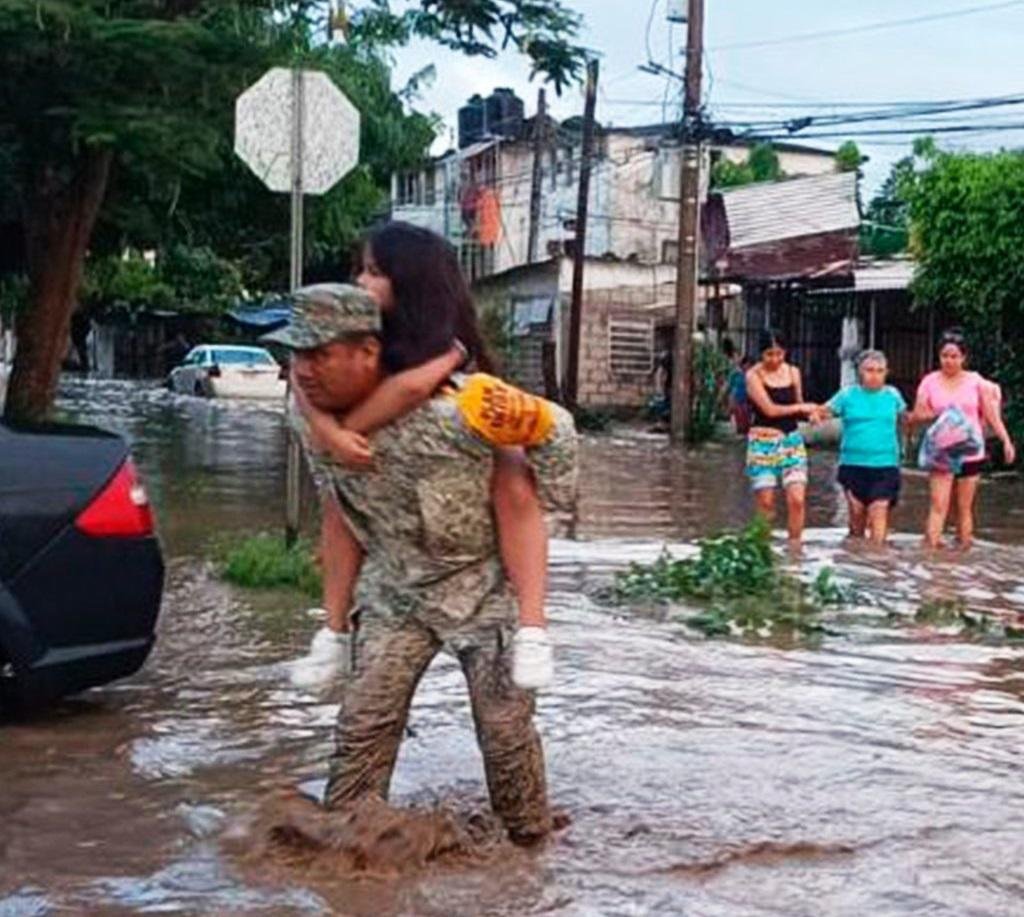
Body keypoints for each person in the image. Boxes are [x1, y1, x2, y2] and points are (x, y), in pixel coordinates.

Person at [265, 284, 578, 845]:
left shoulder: (456, 412)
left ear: (367, 351)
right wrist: (332, 629)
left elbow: (558, 437)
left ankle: (529, 854)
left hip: (484, 585)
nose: (302, 370)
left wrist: (547, 504)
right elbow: (339, 515)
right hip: (396, 588)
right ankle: (348, 853)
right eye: (296, 354)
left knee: (505, 730)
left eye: (318, 354)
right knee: (363, 722)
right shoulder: (309, 424)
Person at [289, 222, 554, 691]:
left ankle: (533, 629)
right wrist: (328, 432)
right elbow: (299, 373)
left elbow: (410, 389)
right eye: (360, 270)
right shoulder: (354, 335)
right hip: (395, 543)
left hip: (470, 536)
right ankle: (333, 631)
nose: (361, 282)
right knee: (338, 495)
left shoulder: (450, 351)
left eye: (374, 272)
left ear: (412, 281)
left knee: (512, 475)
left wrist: (341, 433)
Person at [911, 328, 1015, 549]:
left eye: (954, 356)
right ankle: (930, 553)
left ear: (963, 358)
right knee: (938, 505)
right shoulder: (929, 382)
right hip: (941, 452)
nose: (949, 361)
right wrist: (944, 413)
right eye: (945, 356)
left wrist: (1006, 440)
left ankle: (964, 551)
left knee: (964, 508)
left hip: (970, 451)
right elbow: (919, 413)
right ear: (939, 357)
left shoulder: (976, 382)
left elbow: (991, 414)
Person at [811, 349, 906, 545]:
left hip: (885, 465)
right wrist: (816, 415)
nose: (874, 375)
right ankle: (856, 557)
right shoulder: (847, 395)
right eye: (869, 370)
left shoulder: (893, 395)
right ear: (860, 372)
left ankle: (878, 556)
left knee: (878, 511)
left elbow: (906, 419)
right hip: (853, 465)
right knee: (857, 517)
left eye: (879, 371)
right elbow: (825, 410)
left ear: (886, 373)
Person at [744, 329, 817, 544]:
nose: (775, 359)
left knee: (797, 500)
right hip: (762, 443)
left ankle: (795, 549)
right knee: (766, 504)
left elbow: (798, 405)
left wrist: (811, 414)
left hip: (791, 442)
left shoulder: (793, 372)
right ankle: (762, 548)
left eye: (779, 354)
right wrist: (801, 407)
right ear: (761, 354)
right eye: (769, 354)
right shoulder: (753, 376)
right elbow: (770, 410)